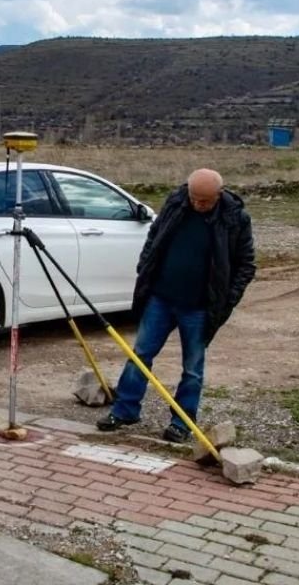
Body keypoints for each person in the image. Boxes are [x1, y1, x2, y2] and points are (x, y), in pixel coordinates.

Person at [96, 168, 256, 442]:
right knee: (140, 355)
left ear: (218, 195)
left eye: (204, 201)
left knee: (192, 368)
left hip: (199, 307)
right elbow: (154, 238)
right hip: (161, 298)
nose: (197, 204)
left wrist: (228, 298)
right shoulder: (176, 203)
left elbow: (246, 264)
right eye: (194, 198)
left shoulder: (235, 219)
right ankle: (125, 411)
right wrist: (144, 266)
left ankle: (182, 423)